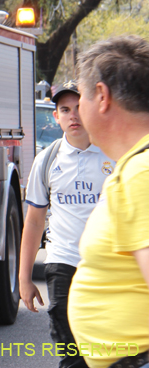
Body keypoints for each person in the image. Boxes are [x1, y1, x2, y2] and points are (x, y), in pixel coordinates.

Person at [19, 81, 113, 368]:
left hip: (106, 266)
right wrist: (24, 278)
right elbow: (34, 222)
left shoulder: (114, 154)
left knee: (107, 351)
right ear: (55, 116)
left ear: (91, 109)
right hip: (63, 264)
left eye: (78, 108)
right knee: (72, 354)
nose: (73, 116)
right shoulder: (46, 160)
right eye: (64, 109)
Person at [70, 36, 149, 368]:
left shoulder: (140, 173)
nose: (77, 109)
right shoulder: (135, 166)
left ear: (101, 97)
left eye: (80, 96)